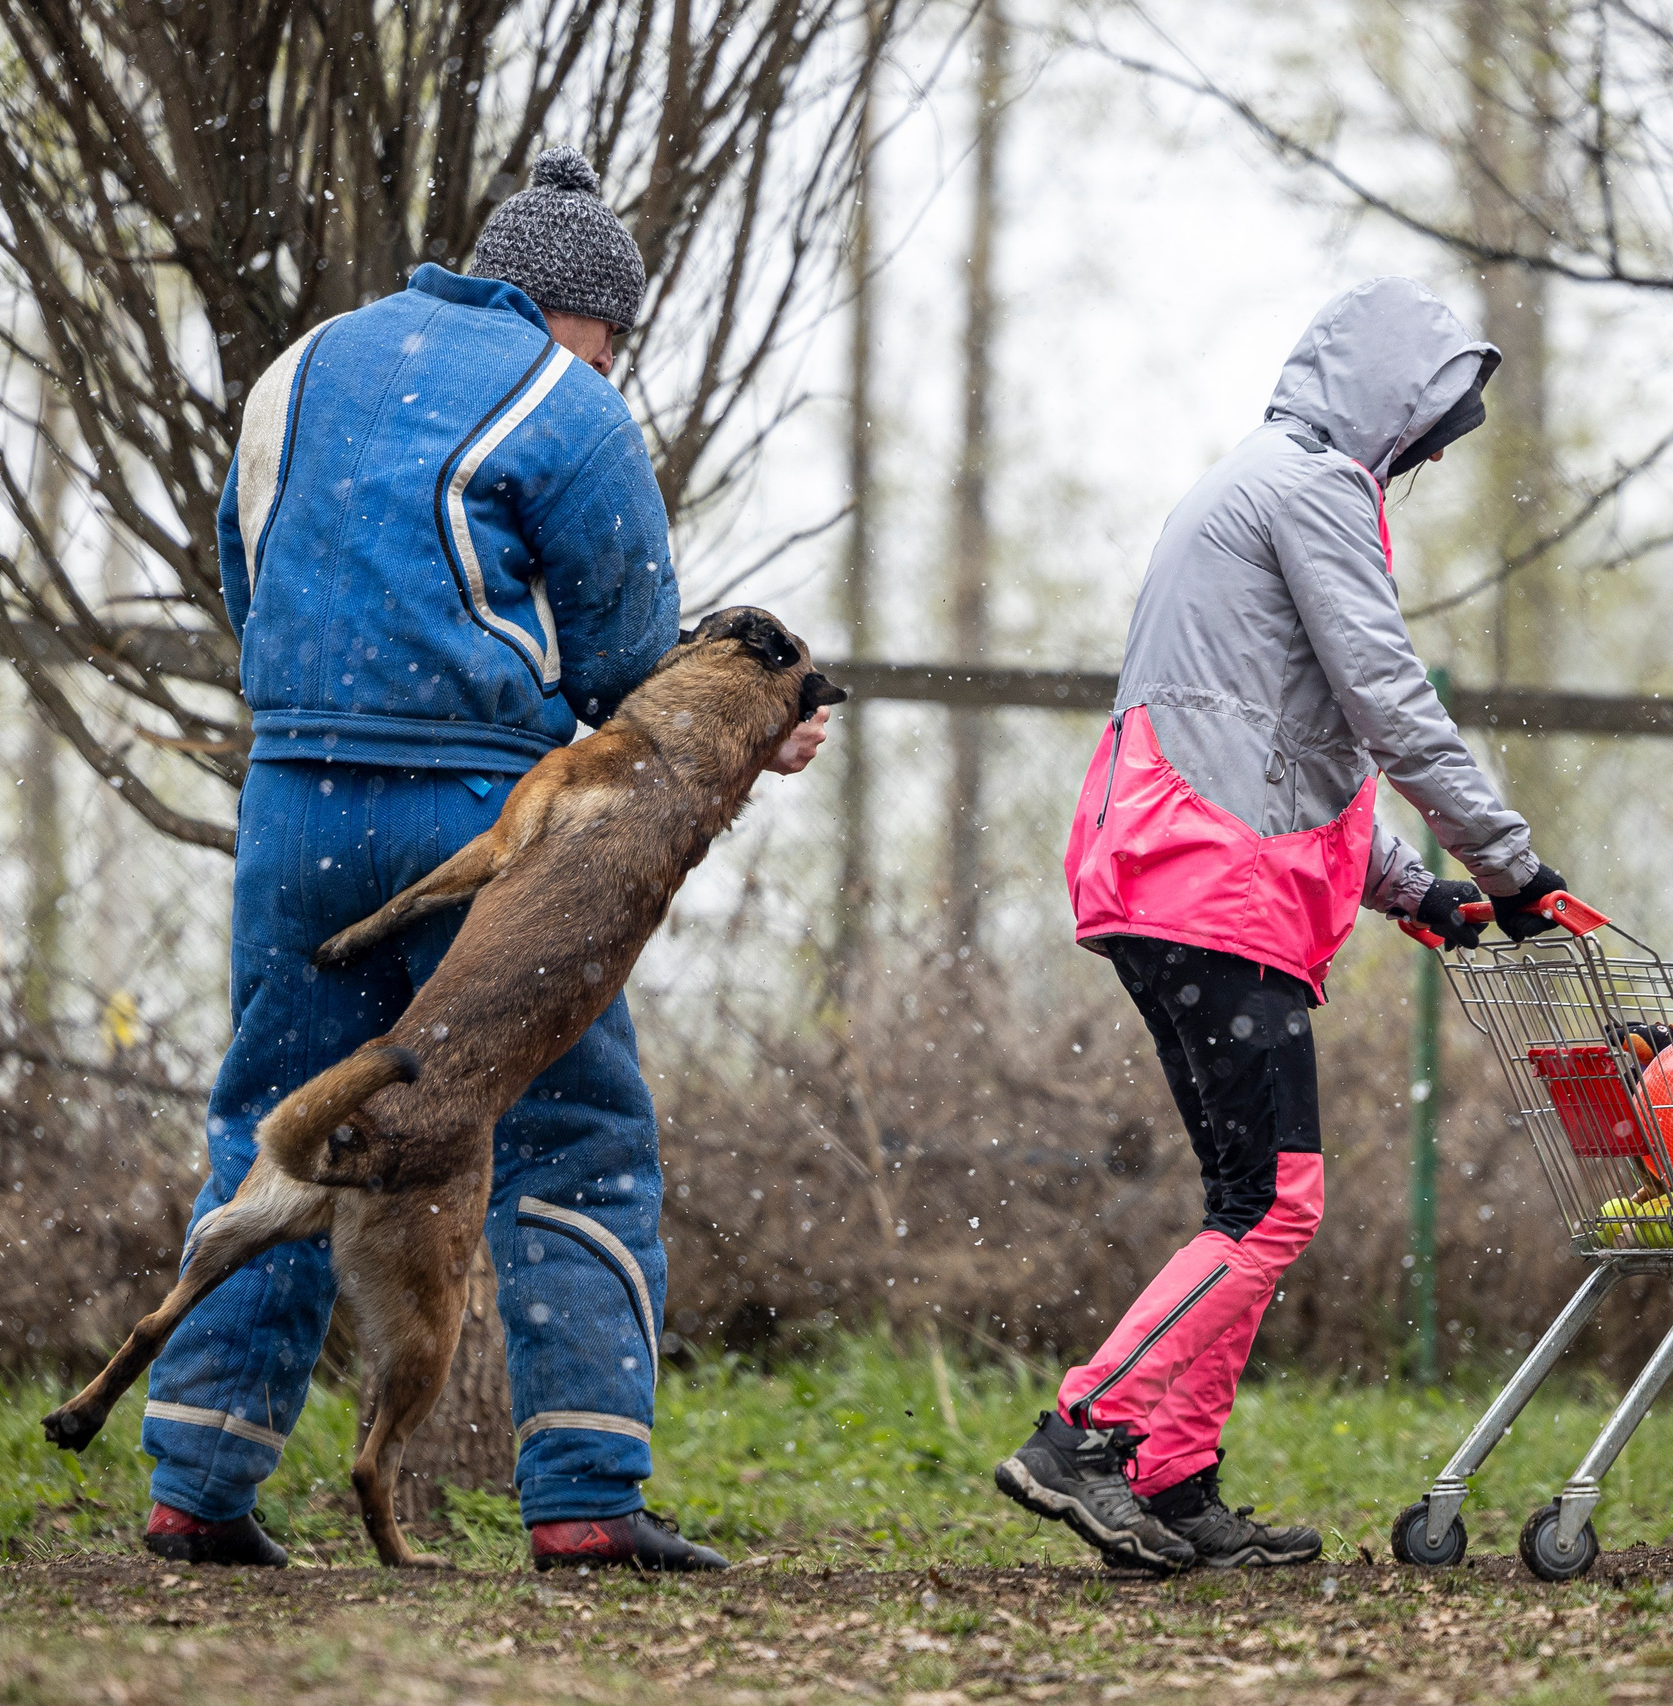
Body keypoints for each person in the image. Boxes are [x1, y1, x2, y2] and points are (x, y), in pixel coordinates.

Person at [139, 147, 826, 1572]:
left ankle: (197, 1482)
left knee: (277, 1121)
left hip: (294, 799)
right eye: (614, 332)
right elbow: (630, 668)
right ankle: (584, 1492)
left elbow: (244, 574)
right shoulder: (570, 405)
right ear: (579, 310)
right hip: (477, 816)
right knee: (577, 1128)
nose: (613, 359)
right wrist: (754, 728)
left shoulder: (299, 370)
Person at [993, 277, 1568, 1573]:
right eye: (1426, 431)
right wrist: (1512, 866)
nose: (1427, 459)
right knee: (1276, 1204)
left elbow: (1284, 739)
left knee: (1249, 1199)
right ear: (1385, 404)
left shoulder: (1249, 484)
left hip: (1166, 875)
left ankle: (1173, 1477)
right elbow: (1385, 703)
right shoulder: (1311, 489)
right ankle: (1085, 1430)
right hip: (1211, 890)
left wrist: (1417, 888)